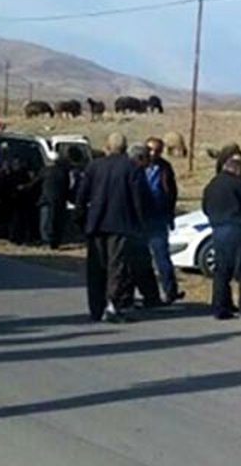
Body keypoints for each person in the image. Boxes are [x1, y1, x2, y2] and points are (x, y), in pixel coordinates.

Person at [75, 132, 148, 323]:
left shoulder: (94, 166)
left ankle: (96, 308)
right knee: (117, 267)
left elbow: (82, 195)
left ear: (107, 146)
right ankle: (114, 306)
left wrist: (80, 218)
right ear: (125, 148)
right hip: (121, 224)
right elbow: (138, 199)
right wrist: (141, 224)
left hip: (96, 224)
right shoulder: (132, 168)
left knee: (96, 267)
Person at [201, 152, 241, 321]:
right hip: (237, 229)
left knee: (221, 272)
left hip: (218, 230)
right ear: (238, 170)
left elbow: (205, 207)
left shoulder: (212, 185)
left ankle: (221, 307)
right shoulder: (238, 184)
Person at [144, 136, 183, 303]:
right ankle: (149, 294)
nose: (153, 153)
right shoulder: (137, 166)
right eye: (150, 150)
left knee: (162, 256)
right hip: (140, 218)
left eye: (157, 150)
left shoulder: (165, 168)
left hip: (159, 217)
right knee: (142, 258)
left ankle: (170, 291)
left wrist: (170, 214)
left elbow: (172, 192)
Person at [127, 144, 163, 309]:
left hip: (136, 226)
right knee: (139, 264)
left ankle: (148, 296)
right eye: (147, 158)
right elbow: (139, 201)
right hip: (136, 226)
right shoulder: (135, 173)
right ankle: (147, 296)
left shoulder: (134, 171)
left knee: (139, 264)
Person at [35, 152, 73, 249]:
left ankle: (46, 241)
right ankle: (55, 242)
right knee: (57, 222)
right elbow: (68, 186)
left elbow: (36, 182)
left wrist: (24, 187)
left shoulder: (45, 170)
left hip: (46, 200)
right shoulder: (64, 171)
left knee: (45, 222)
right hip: (60, 201)